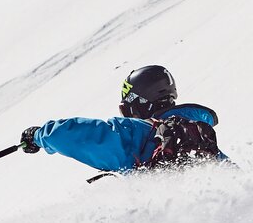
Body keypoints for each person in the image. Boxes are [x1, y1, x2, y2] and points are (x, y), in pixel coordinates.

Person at [18, 65, 224, 173]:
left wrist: (37, 136)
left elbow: (74, 135)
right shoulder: (208, 146)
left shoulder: (140, 133)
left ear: (140, 104)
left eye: (128, 110)